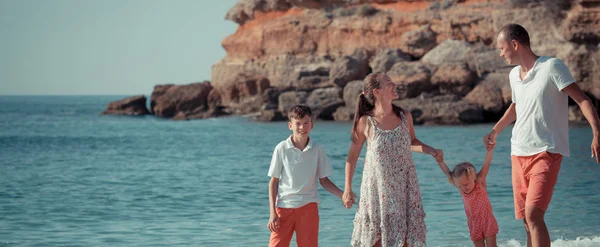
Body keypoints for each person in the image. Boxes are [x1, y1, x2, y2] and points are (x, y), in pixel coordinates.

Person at [484, 23, 600, 247]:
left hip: (546, 151)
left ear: (514, 44)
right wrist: (495, 130)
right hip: (518, 152)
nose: (500, 53)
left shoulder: (552, 67)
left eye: (501, 48)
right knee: (527, 222)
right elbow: (516, 107)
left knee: (534, 215)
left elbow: (582, 99)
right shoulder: (513, 75)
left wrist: (596, 131)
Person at [342, 73, 442, 247]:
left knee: (405, 241)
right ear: (377, 91)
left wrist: (432, 151)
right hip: (376, 190)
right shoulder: (366, 122)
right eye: (389, 83)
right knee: (376, 241)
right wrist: (347, 189)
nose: (395, 84)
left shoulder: (405, 116)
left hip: (404, 188)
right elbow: (352, 158)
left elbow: (411, 142)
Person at [266, 104, 344, 247]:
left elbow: (324, 180)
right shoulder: (281, 148)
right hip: (283, 208)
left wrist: (343, 195)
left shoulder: (317, 149)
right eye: (298, 124)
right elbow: (273, 182)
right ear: (290, 125)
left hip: (308, 207)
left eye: (306, 123)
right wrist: (272, 213)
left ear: (312, 125)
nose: (302, 127)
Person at [435, 146, 499, 247]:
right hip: (473, 223)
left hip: (487, 220)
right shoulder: (461, 188)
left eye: (466, 184)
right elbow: (447, 173)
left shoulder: (480, 183)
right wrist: (440, 161)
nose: (463, 188)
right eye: (460, 185)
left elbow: (486, 163)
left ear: (473, 177)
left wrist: (490, 149)